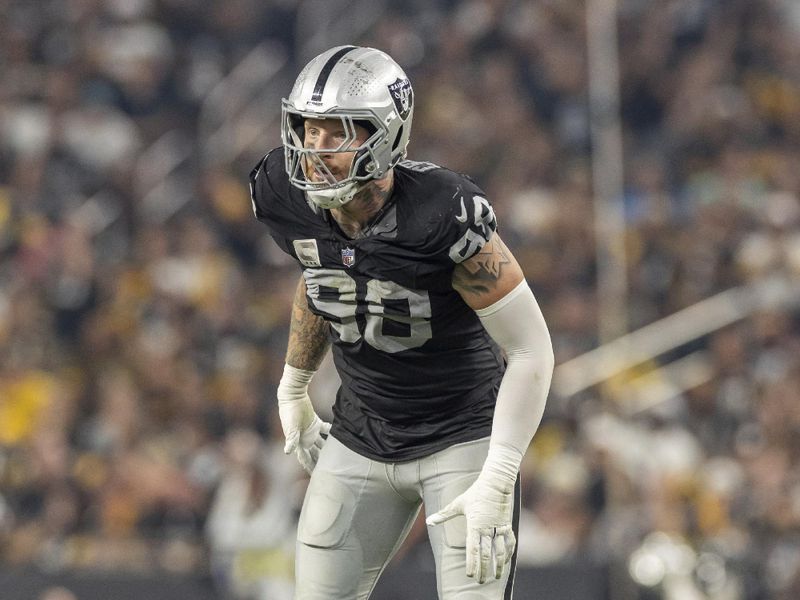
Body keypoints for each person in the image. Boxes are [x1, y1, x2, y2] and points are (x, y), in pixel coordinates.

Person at [248, 45, 554, 600]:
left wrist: (499, 473)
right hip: (362, 432)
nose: (315, 150)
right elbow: (318, 272)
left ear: (384, 135)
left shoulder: (440, 213)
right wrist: (294, 383)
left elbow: (532, 351)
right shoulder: (282, 192)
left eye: (336, 132)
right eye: (308, 130)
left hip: (459, 438)